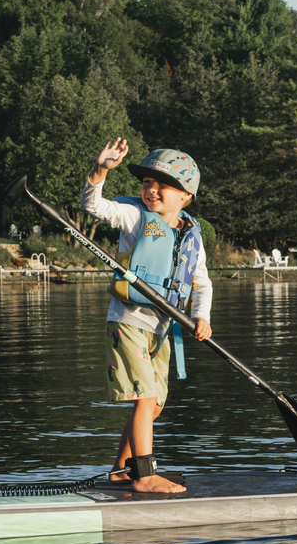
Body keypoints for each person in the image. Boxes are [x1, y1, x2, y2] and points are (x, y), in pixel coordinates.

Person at [82, 139, 212, 494]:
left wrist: (201, 316)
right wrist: (101, 171)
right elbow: (93, 206)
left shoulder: (191, 236)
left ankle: (119, 471)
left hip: (163, 329)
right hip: (128, 322)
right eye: (146, 183)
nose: (151, 190)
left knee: (152, 407)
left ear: (186, 195)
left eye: (162, 185)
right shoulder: (136, 216)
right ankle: (144, 474)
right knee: (144, 400)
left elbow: (202, 284)